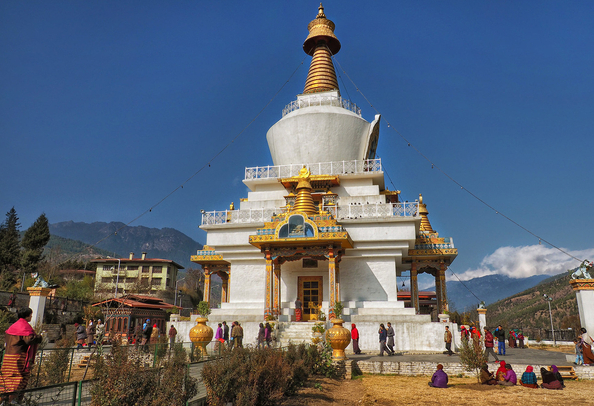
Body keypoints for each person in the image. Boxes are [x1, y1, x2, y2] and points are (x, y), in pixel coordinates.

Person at [0, 308, 43, 403]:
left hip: (8, 356)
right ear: (26, 316)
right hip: (18, 357)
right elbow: (29, 340)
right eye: (30, 315)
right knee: (19, 378)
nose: (31, 317)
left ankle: (3, 398)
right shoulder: (24, 326)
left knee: (6, 378)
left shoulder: (13, 326)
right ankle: (12, 400)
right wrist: (40, 337)